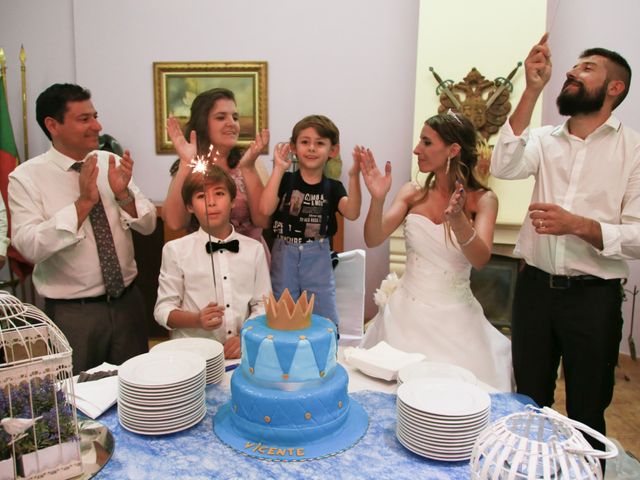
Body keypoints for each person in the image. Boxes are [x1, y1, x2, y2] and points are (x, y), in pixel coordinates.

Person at [491, 35, 638, 452]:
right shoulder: (543, 139)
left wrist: (579, 225)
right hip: (534, 291)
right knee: (528, 405)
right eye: (574, 66)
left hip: (594, 301)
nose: (572, 71)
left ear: (615, 88)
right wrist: (531, 89)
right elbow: (504, 162)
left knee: (587, 412)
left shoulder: (634, 150)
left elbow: (638, 236)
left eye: (587, 67)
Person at [8, 83, 157, 374]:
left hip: (129, 304)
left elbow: (149, 224)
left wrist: (124, 195)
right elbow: (28, 246)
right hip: (73, 314)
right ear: (53, 125)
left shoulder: (108, 161)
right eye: (84, 119)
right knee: (78, 398)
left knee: (138, 388)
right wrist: (83, 204)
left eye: (95, 116)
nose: (97, 126)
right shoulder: (26, 178)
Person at [359, 112, 513, 392]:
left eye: (427, 142)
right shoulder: (412, 192)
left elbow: (480, 259)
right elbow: (373, 237)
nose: (417, 149)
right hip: (405, 316)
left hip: (457, 322)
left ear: (453, 150)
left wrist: (458, 221)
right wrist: (378, 199)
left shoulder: (484, 200)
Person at [154, 166, 271, 359]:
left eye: (219, 193)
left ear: (233, 201)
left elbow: (263, 305)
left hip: (241, 354)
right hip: (192, 357)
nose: (211, 202)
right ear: (190, 206)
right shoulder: (175, 250)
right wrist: (196, 320)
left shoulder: (254, 249)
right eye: (201, 196)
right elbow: (163, 310)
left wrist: (245, 336)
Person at [259, 115, 361, 327]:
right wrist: (278, 168)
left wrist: (354, 177)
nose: (312, 148)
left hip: (318, 256)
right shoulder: (284, 180)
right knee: (283, 313)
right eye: (305, 142)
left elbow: (351, 213)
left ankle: (325, 353)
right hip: (284, 253)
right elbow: (265, 208)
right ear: (294, 147)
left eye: (320, 143)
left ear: (333, 151)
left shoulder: (333, 187)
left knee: (324, 314)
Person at [163, 87, 271, 258]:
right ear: (203, 123)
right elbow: (175, 223)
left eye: (235, 117)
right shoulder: (190, 163)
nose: (231, 123)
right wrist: (185, 163)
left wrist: (248, 167)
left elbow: (263, 220)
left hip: (251, 260)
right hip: (203, 260)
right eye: (221, 117)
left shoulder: (251, 161)